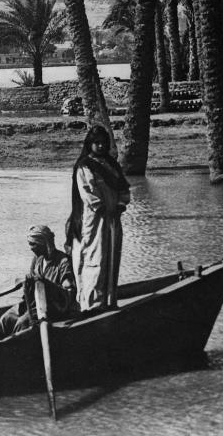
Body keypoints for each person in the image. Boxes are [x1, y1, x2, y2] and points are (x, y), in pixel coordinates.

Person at [67, 124, 131, 311]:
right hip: (94, 221)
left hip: (113, 219)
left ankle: (109, 301)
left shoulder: (112, 165)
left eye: (104, 143)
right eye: (97, 143)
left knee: (112, 258)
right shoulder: (85, 167)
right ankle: (92, 305)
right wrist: (101, 209)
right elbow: (87, 193)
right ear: (90, 144)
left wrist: (120, 204)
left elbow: (124, 189)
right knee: (95, 260)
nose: (101, 147)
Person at [0, 225, 77, 340]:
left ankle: (18, 352)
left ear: (44, 243)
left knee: (22, 323)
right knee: (5, 319)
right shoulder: (37, 260)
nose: (30, 248)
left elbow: (68, 293)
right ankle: (0, 351)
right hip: (33, 303)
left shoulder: (63, 262)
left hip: (52, 308)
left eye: (33, 244)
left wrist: (45, 283)